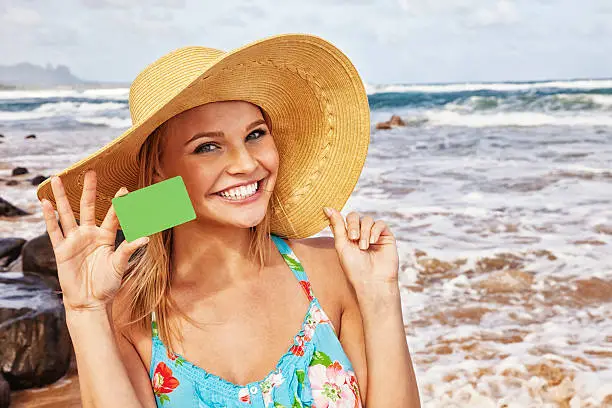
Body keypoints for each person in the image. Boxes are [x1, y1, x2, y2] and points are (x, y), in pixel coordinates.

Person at [36, 34, 420, 407]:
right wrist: (84, 312)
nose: (247, 163)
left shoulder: (334, 271)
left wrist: (381, 296)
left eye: (255, 134)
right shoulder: (129, 313)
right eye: (208, 146)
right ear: (157, 172)